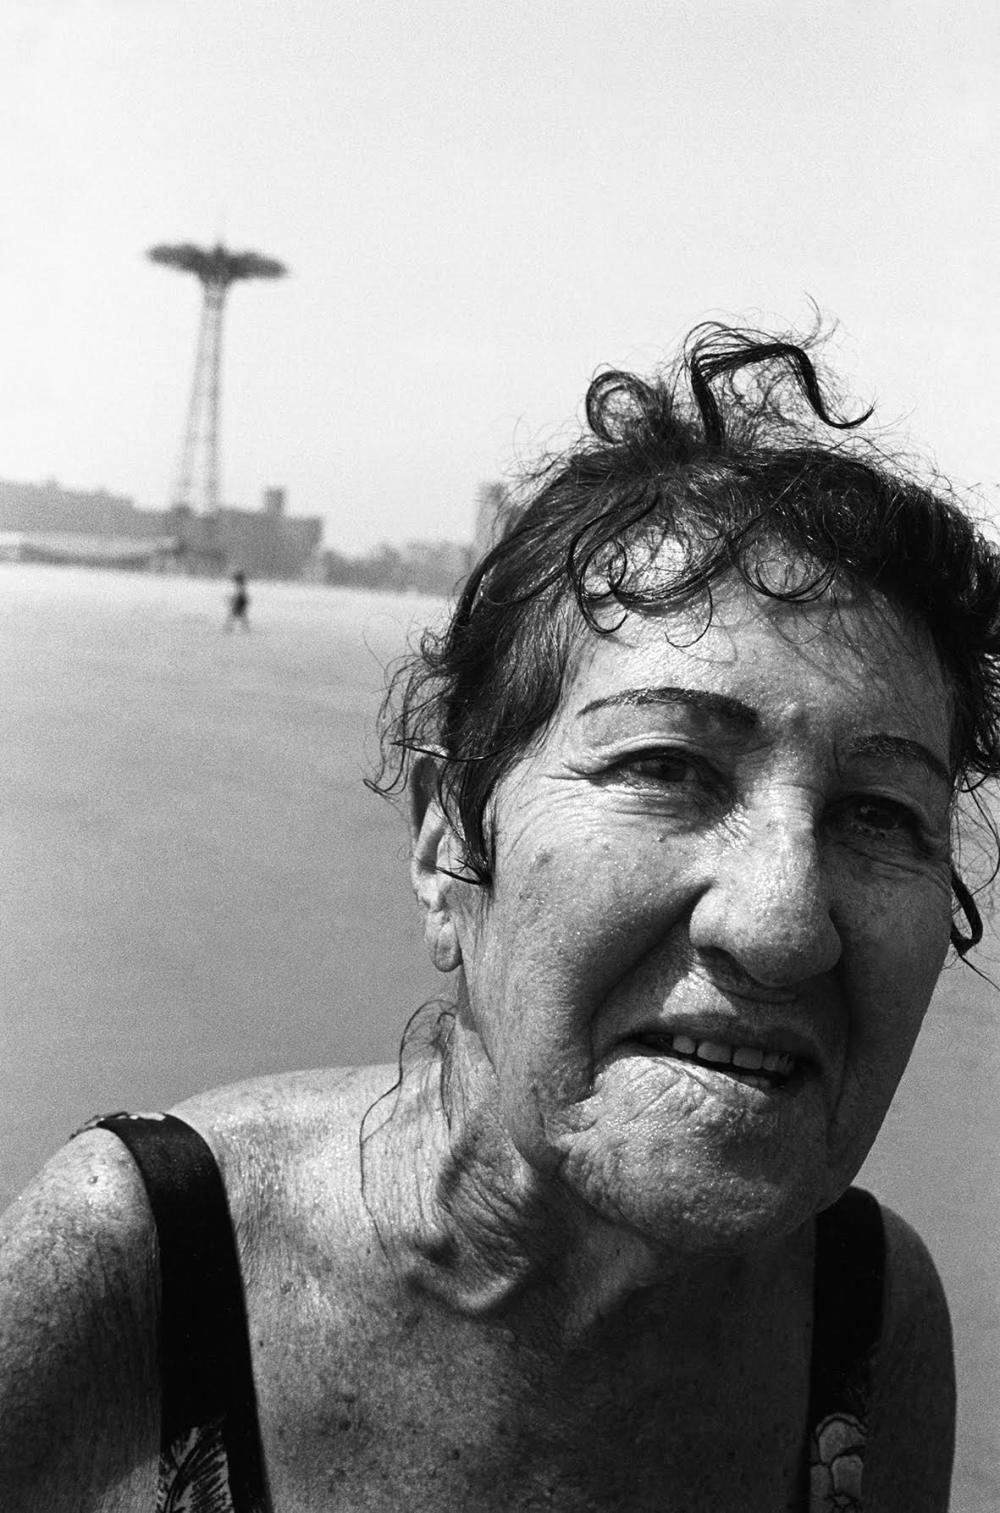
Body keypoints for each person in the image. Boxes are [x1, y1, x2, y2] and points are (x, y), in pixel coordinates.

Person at [2, 322, 997, 1513]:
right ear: (445, 839)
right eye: (668, 767)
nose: (782, 925)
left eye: (883, 814)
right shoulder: (146, 1272)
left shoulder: (871, 1323)